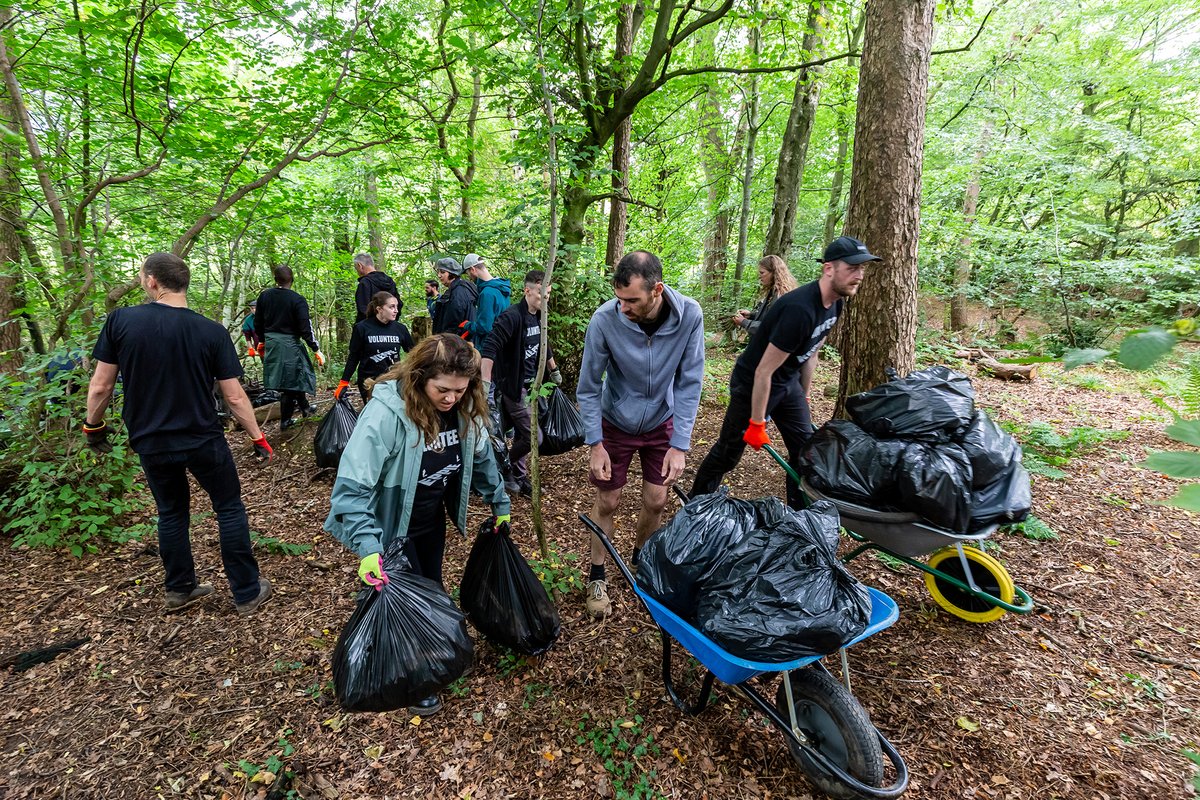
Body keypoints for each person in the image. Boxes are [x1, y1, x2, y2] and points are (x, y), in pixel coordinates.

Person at [324, 333, 511, 716]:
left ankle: (431, 659)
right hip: (390, 527)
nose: (450, 398)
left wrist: (499, 501)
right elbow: (351, 487)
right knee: (396, 600)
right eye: (442, 389)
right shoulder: (386, 415)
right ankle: (409, 679)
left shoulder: (463, 411)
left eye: (460, 390)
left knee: (429, 587)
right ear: (419, 377)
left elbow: (482, 457)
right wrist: (368, 546)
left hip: (428, 518)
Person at [83, 252, 274, 616]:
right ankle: (247, 592)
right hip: (202, 438)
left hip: (151, 441)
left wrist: (93, 426)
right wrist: (257, 437)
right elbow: (233, 395)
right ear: (183, 283)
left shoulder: (121, 321)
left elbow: (100, 387)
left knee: (171, 513)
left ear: (152, 281)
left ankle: (180, 588)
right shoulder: (211, 331)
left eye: (142, 277)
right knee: (229, 508)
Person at [691, 236, 880, 508]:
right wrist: (757, 423)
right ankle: (697, 504)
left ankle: (799, 515)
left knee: (804, 451)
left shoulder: (837, 303)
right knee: (728, 454)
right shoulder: (799, 310)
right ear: (829, 269)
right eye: (852, 268)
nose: (859, 275)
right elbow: (762, 372)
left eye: (862, 269)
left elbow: (812, 352)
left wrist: (803, 396)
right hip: (752, 384)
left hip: (787, 381)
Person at [577, 251, 705, 619]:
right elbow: (588, 388)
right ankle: (598, 575)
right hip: (615, 421)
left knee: (656, 500)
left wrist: (680, 444)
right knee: (607, 501)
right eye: (619, 299)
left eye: (632, 300)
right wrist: (595, 443)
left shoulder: (689, 315)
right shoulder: (605, 320)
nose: (624, 308)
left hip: (661, 422)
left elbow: (690, 381)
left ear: (657, 290)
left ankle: (641, 561)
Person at [480, 270, 563, 497]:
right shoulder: (512, 316)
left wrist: (553, 370)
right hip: (515, 388)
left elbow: (545, 345)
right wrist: (485, 383)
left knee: (521, 433)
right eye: (539, 293)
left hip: (533, 387)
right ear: (527, 290)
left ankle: (518, 476)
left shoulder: (539, 317)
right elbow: (490, 347)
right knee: (533, 436)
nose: (544, 298)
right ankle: (503, 464)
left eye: (547, 294)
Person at [255, 265, 326, 430]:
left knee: (296, 377)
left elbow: (258, 322)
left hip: (273, 342)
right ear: (292, 279)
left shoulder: (265, 296)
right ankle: (285, 422)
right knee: (289, 382)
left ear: (275, 279)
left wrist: (263, 340)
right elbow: (305, 327)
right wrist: (315, 349)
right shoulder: (297, 299)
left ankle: (305, 408)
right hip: (288, 344)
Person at [336, 291, 414, 403]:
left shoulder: (400, 329)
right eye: (391, 307)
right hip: (369, 380)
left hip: (393, 379)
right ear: (379, 309)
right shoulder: (362, 328)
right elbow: (354, 357)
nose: (396, 310)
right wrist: (344, 382)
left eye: (396, 307)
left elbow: (413, 353)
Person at [732, 254, 798, 338]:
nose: (759, 276)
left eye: (762, 273)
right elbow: (769, 317)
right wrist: (751, 315)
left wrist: (744, 322)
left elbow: (771, 327)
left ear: (774, 273)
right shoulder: (773, 291)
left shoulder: (780, 295)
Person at [463, 253, 511, 352]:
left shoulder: (487, 293)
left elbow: (484, 327)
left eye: (467, 273)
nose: (469, 277)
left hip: (489, 347)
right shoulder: (502, 288)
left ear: (473, 269)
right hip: (502, 344)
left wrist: (467, 324)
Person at [430, 257, 477, 339]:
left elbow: (454, 323)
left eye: (443, 272)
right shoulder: (457, 289)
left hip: (456, 343)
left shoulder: (458, 292)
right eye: (438, 272)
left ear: (452, 273)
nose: (439, 275)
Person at [352, 253, 400, 324]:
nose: (357, 272)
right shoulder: (390, 281)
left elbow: (363, 309)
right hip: (389, 328)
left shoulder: (365, 283)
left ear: (360, 266)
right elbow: (398, 304)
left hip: (369, 329)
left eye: (356, 268)